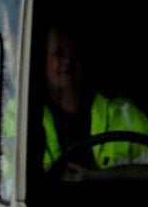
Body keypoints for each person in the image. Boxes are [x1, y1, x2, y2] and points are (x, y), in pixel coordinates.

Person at [40, 24, 148, 173]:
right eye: (59, 53)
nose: (68, 61)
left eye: (75, 53)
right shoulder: (24, 117)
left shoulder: (124, 113)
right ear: (44, 60)